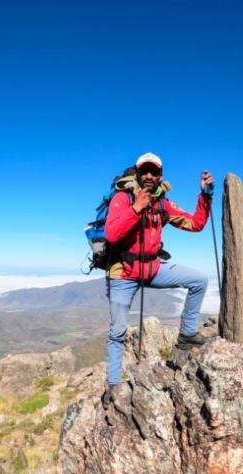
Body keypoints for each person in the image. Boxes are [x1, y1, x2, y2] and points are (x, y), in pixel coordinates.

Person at [102, 152, 213, 408]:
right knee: (117, 332)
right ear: (138, 174)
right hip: (123, 273)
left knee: (199, 280)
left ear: (160, 176)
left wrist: (205, 196)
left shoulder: (162, 203)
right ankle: (113, 385)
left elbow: (195, 224)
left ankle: (187, 334)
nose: (150, 176)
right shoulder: (123, 198)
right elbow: (112, 234)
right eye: (145, 171)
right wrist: (136, 208)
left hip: (152, 268)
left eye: (154, 172)